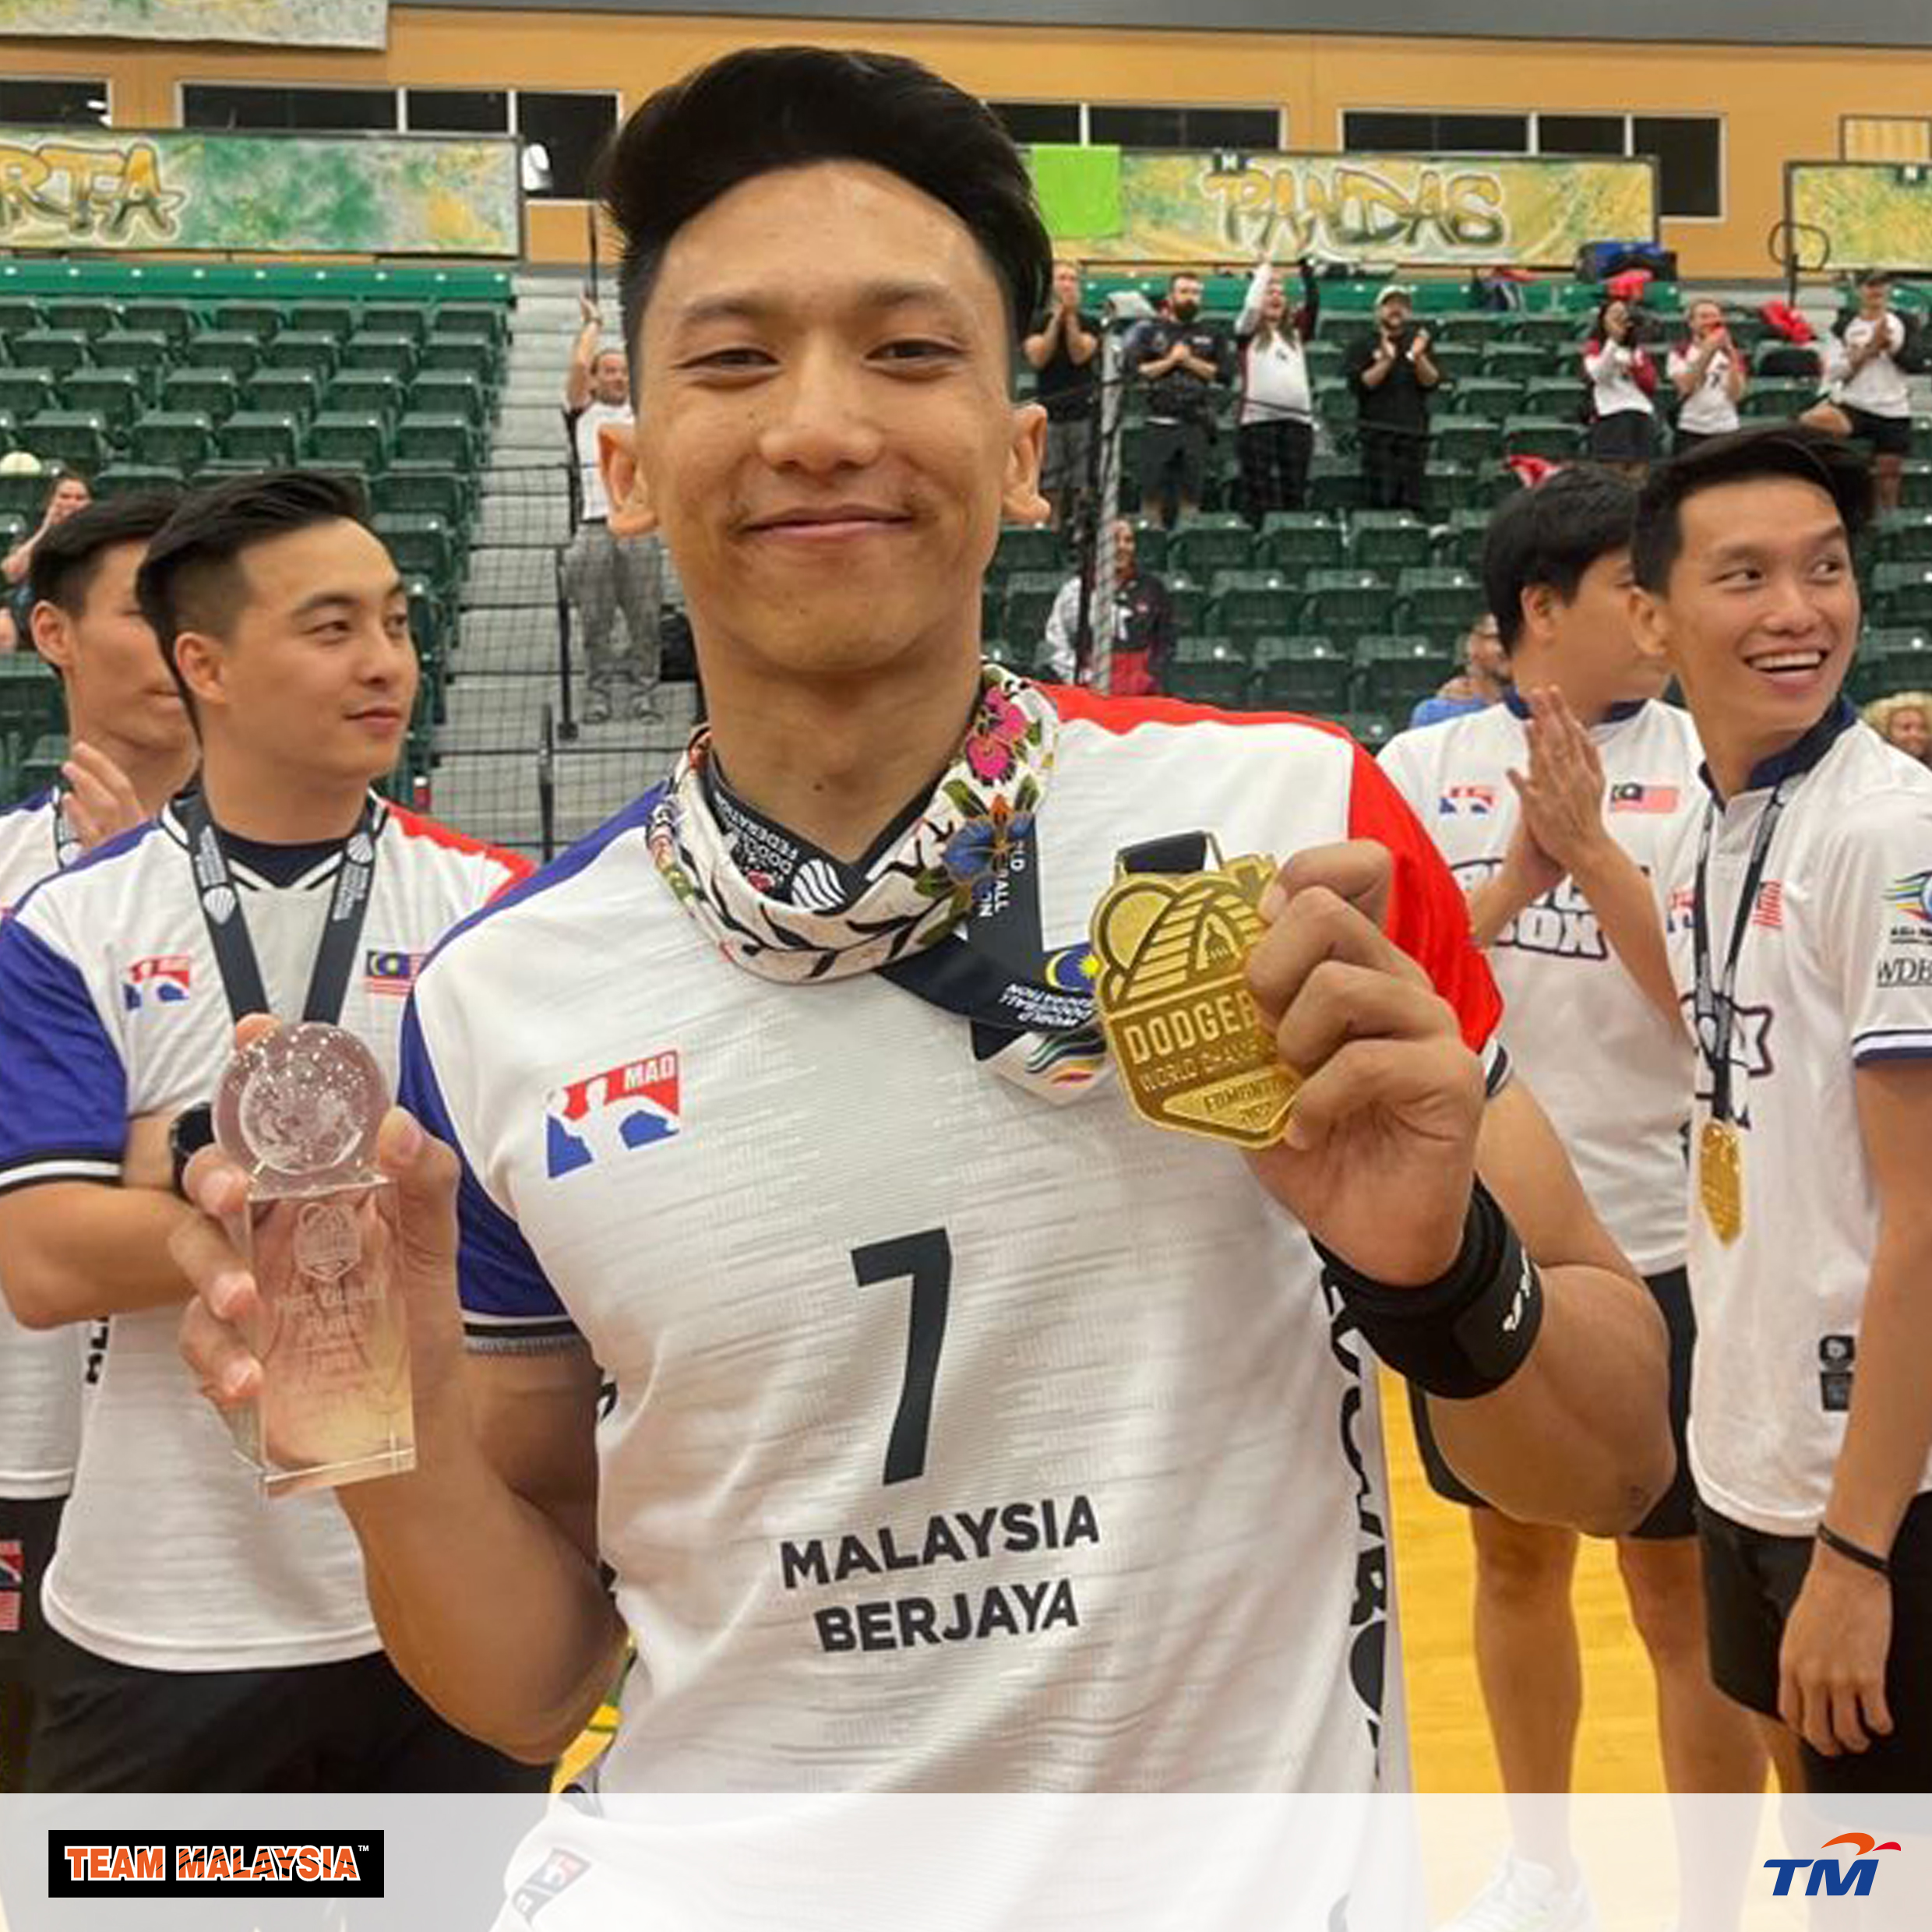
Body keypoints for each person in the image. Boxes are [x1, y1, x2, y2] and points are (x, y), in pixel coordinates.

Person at [167, 51, 1671, 1913]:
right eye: (731, 361)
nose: (817, 424)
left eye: (905, 351)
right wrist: (381, 1451)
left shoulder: (1290, 825)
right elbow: (537, 1672)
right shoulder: (500, 1001)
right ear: (624, 463)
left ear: (1024, 449)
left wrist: (1439, 1268)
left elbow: (1609, 1467)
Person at [0, 471, 545, 1793]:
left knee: (437, 1903)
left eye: (399, 624)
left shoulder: (498, 912)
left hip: (445, 1593)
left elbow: (524, 1221)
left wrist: (177, 1170)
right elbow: (47, 1262)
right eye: (332, 627)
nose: (385, 664)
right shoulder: (73, 927)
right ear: (207, 664)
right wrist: (378, 1177)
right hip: (172, 1614)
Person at [1382, 469, 1765, 1932]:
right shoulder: (1421, 776)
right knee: (1511, 1555)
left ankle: (1714, 1903)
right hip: (1484, 1243)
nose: (1662, 615)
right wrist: (1513, 876)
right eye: (1632, 587)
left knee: (1682, 1601)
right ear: (1542, 610)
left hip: (1670, 1243)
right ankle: (1542, 1869)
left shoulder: (1714, 767)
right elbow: (1400, 993)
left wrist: (1595, 858)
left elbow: (1720, 1018)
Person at [1630, 425, 1932, 1799]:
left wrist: (1860, 1555)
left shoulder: (1892, 833)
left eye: (1822, 570)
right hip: (1748, 1452)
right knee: (1817, 1815)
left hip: (1878, 1499)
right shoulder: (1709, 823)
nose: (1799, 611)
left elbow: (1925, 1218)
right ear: (1655, 617)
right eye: (1745, 576)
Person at [0, 492, 197, 1794]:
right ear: (53, 634)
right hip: (20, 1435)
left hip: (213, 1448)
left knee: (235, 1862)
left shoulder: (340, 887)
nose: (187, 639)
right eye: (147, 609)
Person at [562, 291, 665, 723]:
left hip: (638, 528)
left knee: (646, 618)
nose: (618, 378)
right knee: (594, 619)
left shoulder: (645, 412)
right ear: (596, 380)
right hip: (592, 526)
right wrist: (594, 325)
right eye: (610, 371)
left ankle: (645, 695)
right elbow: (577, 367)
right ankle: (598, 695)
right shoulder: (581, 413)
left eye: (624, 371)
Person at [1126, 270, 1229, 526]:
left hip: (1195, 425)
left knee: (1192, 497)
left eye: (1195, 293)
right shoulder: (1150, 332)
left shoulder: (1213, 333)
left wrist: (1189, 361)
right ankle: (1152, 549)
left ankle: (1187, 546)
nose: (1190, 298)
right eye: (1184, 292)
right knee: (1150, 496)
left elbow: (1224, 374)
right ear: (1171, 297)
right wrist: (1171, 360)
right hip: (1158, 423)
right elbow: (1137, 371)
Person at [1232, 249, 1320, 522]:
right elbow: (1251, 307)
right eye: (1270, 292)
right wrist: (1265, 271)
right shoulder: (1247, 332)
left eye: (1281, 293)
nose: (1275, 297)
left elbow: (1314, 303)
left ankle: (1291, 537)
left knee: (1294, 488)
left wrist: (1305, 266)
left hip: (1298, 422)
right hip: (1258, 421)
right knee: (1258, 488)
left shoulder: (1296, 333)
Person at [1042, 516, 1175, 694]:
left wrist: (1149, 675)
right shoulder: (1077, 591)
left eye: (1128, 540)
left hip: (1143, 695)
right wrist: (1085, 679)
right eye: (1114, 540)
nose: (1122, 547)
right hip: (1091, 692)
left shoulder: (1152, 588)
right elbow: (1057, 641)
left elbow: (1166, 641)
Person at [1347, 284, 1440, 514]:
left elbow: (1432, 382)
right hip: (1377, 436)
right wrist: (1385, 361)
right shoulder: (1363, 344)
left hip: (1413, 434)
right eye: (1390, 304)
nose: (1396, 310)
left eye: (1402, 305)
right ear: (1379, 310)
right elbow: (1361, 385)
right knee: (1380, 501)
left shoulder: (1419, 343)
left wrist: (1418, 357)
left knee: (1412, 501)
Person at [1021, 260, 1098, 532]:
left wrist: (1071, 318)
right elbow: (1038, 357)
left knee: (1080, 482)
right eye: (1062, 279)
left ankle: (1079, 531)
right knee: (1050, 479)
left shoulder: (1090, 322)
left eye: (1072, 279)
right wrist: (1057, 319)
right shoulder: (1036, 322)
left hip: (1082, 412)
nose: (1067, 284)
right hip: (1049, 413)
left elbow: (1080, 354)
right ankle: (1050, 530)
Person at [1832, 270, 1913, 513]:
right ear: (1858, 291)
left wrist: (1889, 348)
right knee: (1815, 423)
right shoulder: (1843, 325)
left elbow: (1915, 361)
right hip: (1854, 404)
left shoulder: (1905, 322)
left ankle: (1888, 521)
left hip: (1893, 408)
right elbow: (1835, 371)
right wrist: (1870, 348)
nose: (1876, 291)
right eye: (1870, 285)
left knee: (1889, 472)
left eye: (1881, 285)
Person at [2, 472, 93, 651]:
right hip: (23, 613)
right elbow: (11, 573)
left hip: (70, 612)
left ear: (90, 504)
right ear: (52, 501)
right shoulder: (35, 529)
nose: (71, 503)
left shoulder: (96, 533)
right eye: (64, 496)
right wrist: (46, 529)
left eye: (79, 498)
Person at [1582, 298, 1659, 478]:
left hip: (1640, 413)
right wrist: (1613, 342)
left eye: (1624, 313)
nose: (1620, 317)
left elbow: (1650, 383)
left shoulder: (1636, 351)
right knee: (1612, 474)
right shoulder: (1596, 348)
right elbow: (1599, 375)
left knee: (1639, 474)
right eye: (1614, 313)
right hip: (1612, 413)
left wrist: (1634, 366)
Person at [1408, 612, 1513, 729]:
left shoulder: (1534, 710)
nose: (1511, 646)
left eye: (1520, 638)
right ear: (1472, 644)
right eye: (1499, 638)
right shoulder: (1437, 715)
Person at [1669, 301, 1747, 453]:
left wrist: (1731, 356)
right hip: (1692, 429)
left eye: (1715, 316)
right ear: (1691, 323)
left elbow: (1736, 395)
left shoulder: (1733, 353)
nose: (1710, 321)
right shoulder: (1680, 352)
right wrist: (1708, 351)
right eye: (1704, 317)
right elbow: (1687, 387)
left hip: (1726, 428)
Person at [1865, 689, 1932, 765]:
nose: (1915, 734)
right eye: (1906, 728)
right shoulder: (1874, 766)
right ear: (1887, 732)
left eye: (1923, 728)